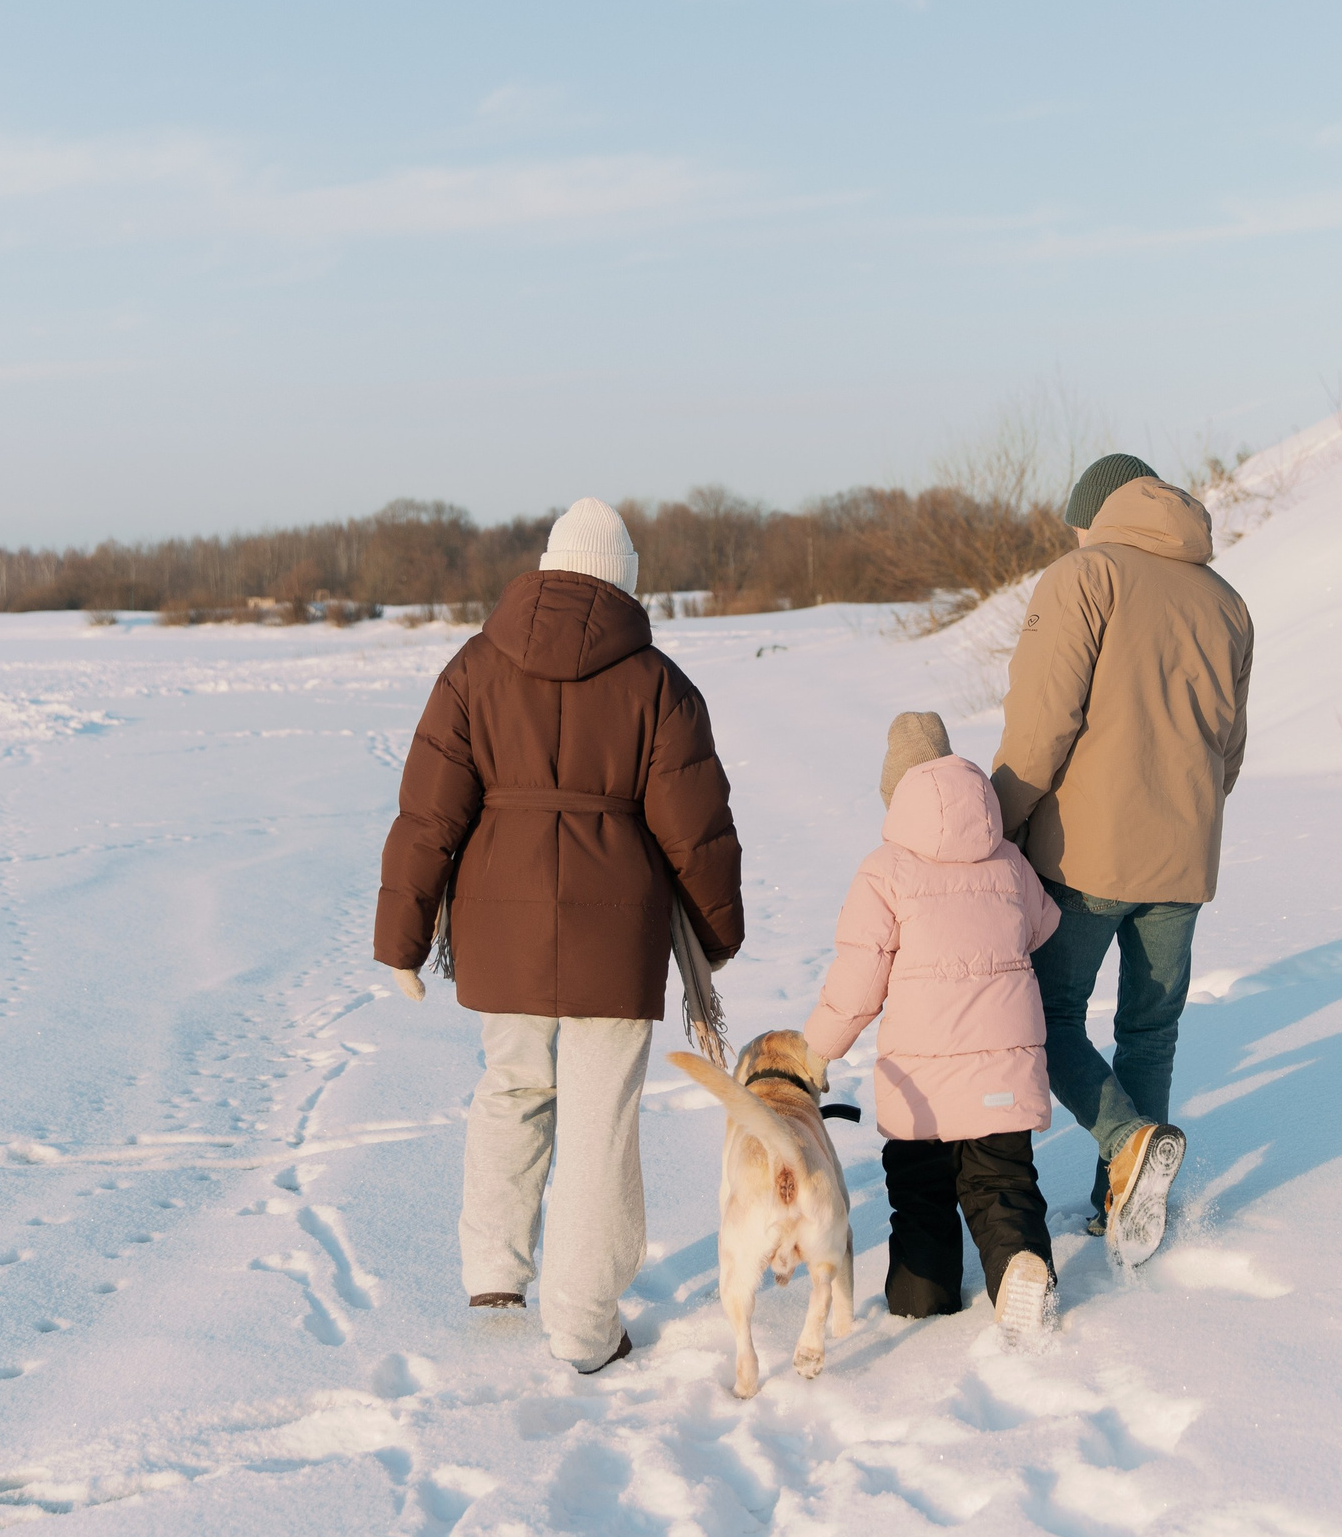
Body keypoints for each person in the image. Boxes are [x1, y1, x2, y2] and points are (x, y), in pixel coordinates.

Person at [375, 497, 744, 1373]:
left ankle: (496, 1284)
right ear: (622, 581)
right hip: (614, 940)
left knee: (511, 1088)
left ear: (546, 568)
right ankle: (582, 1324)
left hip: (501, 930)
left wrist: (402, 934)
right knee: (598, 1123)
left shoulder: (474, 667)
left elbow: (430, 811)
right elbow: (696, 827)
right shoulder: (658, 682)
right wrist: (717, 931)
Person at [991, 455, 1253, 1266]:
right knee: (1151, 1028)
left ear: (1095, 513)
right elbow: (1227, 749)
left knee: (1046, 1020)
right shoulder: (1227, 601)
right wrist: (1188, 818)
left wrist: (995, 825)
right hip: (1185, 854)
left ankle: (1129, 1141)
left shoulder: (1085, 575)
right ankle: (1127, 1208)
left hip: (1084, 853)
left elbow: (1043, 724)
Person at [804, 712, 1062, 1337]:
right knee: (1003, 1186)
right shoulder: (1007, 861)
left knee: (920, 1201)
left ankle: (923, 1299)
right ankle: (1021, 1271)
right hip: (1004, 1071)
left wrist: (813, 1055)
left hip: (919, 1087)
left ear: (896, 794)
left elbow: (858, 984)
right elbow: (1045, 927)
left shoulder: (885, 869)